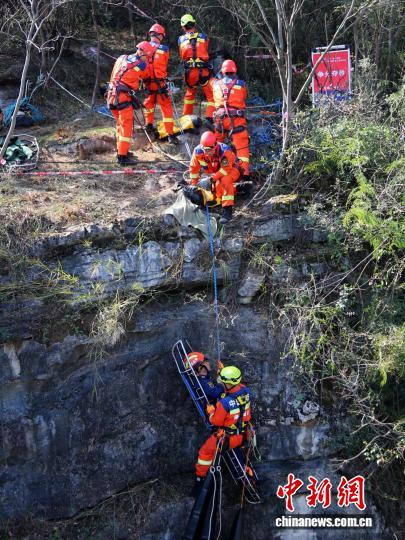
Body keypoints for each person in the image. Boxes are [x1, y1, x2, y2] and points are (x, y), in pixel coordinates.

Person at [193, 365, 252, 495]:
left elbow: (215, 422)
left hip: (226, 439)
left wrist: (211, 412)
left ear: (228, 383)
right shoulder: (246, 391)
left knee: (205, 452)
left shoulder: (224, 403)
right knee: (237, 455)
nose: (221, 382)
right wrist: (224, 373)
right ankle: (248, 476)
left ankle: (200, 479)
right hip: (242, 436)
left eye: (223, 381)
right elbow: (234, 391)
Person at [106, 41, 154, 166]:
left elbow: (113, 75)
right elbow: (146, 77)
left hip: (111, 95)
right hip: (122, 98)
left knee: (120, 124)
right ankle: (122, 157)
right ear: (144, 54)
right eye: (148, 57)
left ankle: (121, 151)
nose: (147, 59)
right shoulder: (142, 64)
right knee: (126, 126)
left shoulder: (122, 58)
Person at [187, 131, 241, 224]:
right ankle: (240, 188)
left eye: (209, 149)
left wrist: (212, 179)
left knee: (225, 180)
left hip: (232, 170)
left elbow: (225, 170)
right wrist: (194, 185)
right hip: (216, 174)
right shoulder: (198, 151)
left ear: (215, 145)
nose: (207, 152)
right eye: (205, 149)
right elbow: (193, 169)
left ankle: (227, 210)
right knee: (217, 193)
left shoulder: (224, 151)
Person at [212, 59, 250, 180]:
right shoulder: (241, 84)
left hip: (219, 120)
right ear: (235, 70)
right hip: (236, 119)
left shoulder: (215, 84)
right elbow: (243, 98)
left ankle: (216, 172)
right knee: (242, 147)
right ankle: (244, 176)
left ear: (222, 71)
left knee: (217, 146)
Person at [143, 23, 178, 144]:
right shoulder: (164, 49)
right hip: (160, 84)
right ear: (160, 35)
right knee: (166, 108)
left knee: (149, 104)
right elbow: (164, 64)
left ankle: (148, 125)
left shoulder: (143, 47)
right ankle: (170, 136)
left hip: (148, 84)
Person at [178, 13, 214, 126]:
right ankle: (209, 119)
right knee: (211, 96)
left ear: (183, 27)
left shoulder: (181, 39)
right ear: (194, 23)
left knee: (189, 94)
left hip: (190, 73)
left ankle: (186, 119)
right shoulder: (204, 37)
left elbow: (182, 56)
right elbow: (205, 49)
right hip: (203, 72)